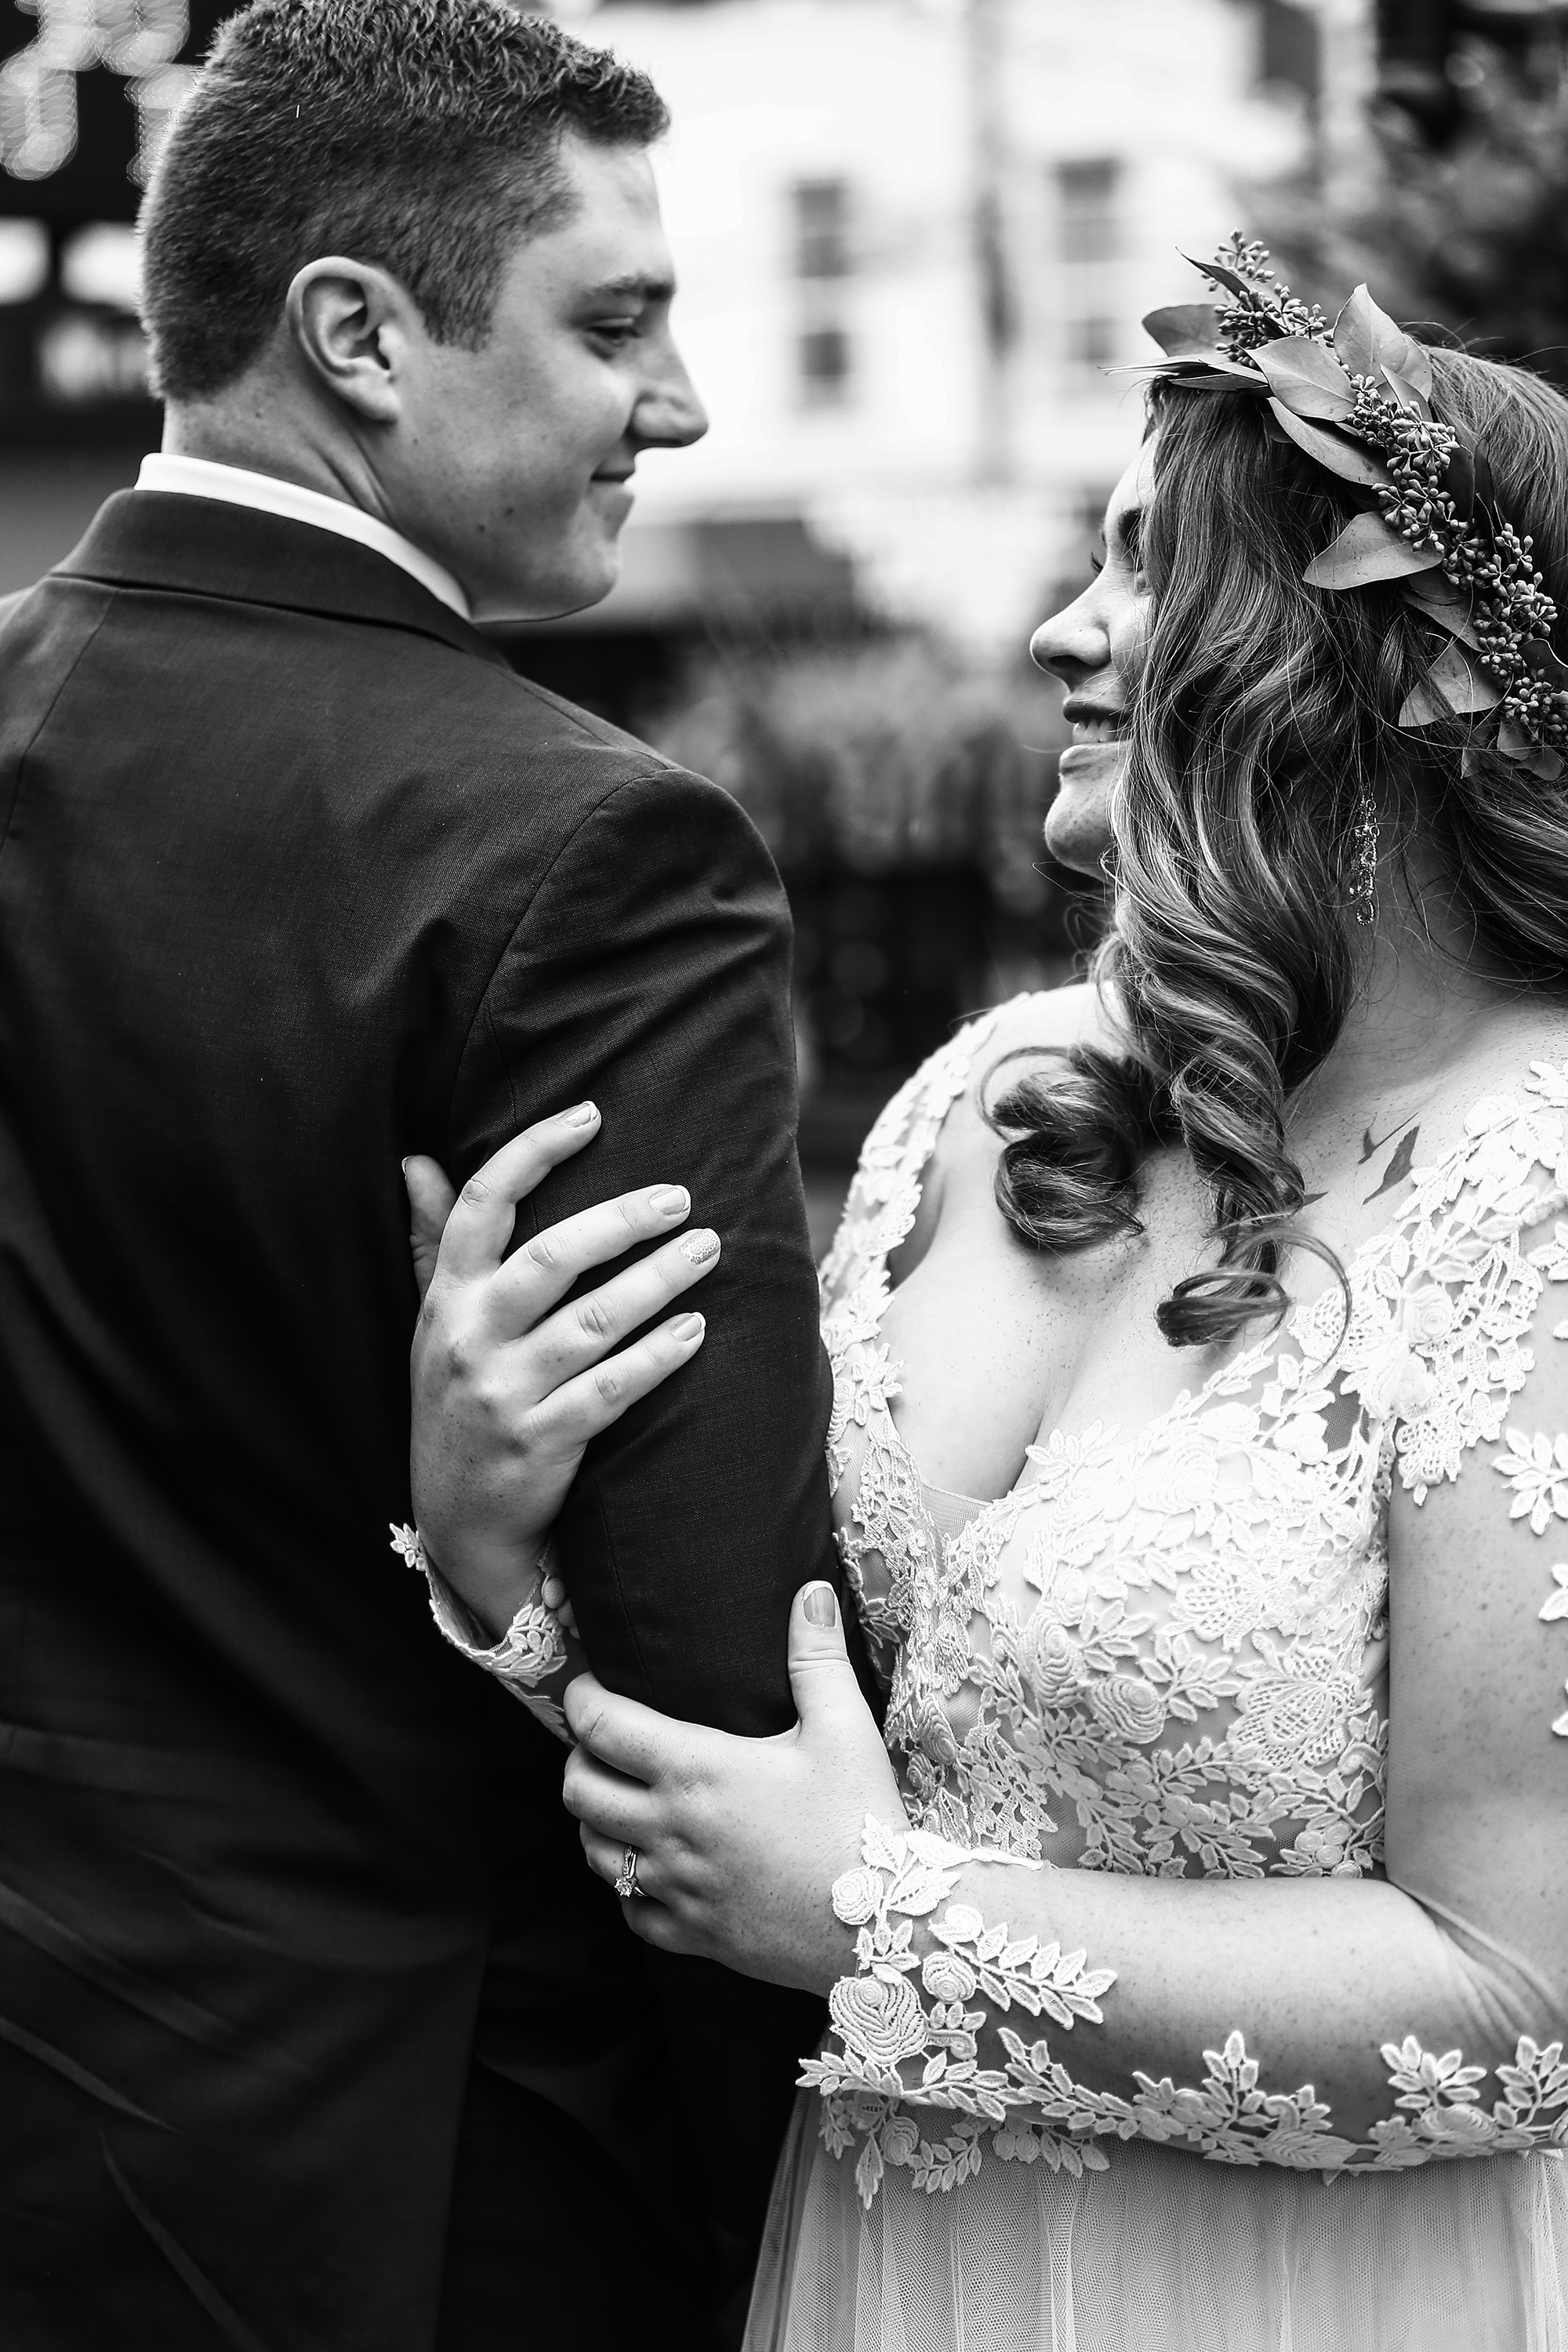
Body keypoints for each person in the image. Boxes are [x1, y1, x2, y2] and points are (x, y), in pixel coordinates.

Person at [414, 252, 1568, 2349]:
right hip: (887, 2262)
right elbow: (801, 1756)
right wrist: (507, 1555)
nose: (1062, 627)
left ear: (1408, 677)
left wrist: (884, 1935)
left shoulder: (1542, 1189)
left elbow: (1520, 2003)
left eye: (1151, 570)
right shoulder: (997, 1102)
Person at [0, 2, 849, 2344]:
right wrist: (815, 2188)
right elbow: (710, 1646)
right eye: (616, 325)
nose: (671, 409)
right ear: (358, 336)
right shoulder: (584, 854)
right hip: (423, 2169)